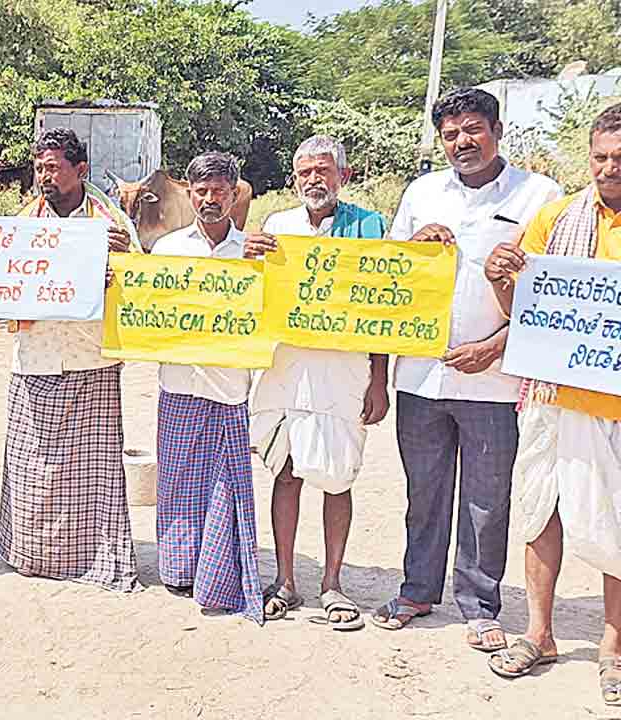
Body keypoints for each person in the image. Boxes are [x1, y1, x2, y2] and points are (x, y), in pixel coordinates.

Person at [371, 88, 563, 651]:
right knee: (423, 492)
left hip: (496, 380)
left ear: (498, 131)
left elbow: (552, 295)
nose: (463, 142)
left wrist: (496, 349)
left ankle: (480, 606)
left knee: (487, 500)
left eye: (474, 129)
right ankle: (416, 591)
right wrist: (414, 246)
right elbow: (388, 278)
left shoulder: (539, 195)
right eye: (451, 134)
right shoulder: (422, 192)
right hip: (420, 375)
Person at [484, 103, 621, 705]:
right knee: (541, 512)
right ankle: (539, 634)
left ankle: (614, 648)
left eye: (620, 158)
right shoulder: (556, 217)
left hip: (614, 406)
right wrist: (498, 275)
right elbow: (522, 313)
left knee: (616, 523)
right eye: (600, 157)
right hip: (550, 396)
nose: (609, 168)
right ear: (588, 157)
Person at [243, 136, 390, 629]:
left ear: (342, 176)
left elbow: (384, 308)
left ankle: (332, 583)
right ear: (294, 178)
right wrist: (249, 258)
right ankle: (285, 580)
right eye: (304, 171)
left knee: (337, 477)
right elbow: (255, 295)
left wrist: (379, 378)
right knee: (286, 473)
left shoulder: (369, 227)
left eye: (322, 170)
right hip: (285, 369)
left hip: (342, 373)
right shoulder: (277, 227)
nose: (313, 180)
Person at [0, 127, 140, 592]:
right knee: (32, 463)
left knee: (93, 469)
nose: (45, 177)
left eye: (54, 168)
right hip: (35, 358)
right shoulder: (21, 223)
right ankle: (31, 554)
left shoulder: (111, 224)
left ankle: (98, 557)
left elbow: (140, 286)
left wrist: (123, 264)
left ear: (80, 170)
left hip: (91, 357)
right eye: (39, 168)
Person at [149, 152, 261, 622]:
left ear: (234, 195)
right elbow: (145, 306)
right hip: (178, 382)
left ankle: (218, 575)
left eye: (219, 191)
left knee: (224, 483)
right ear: (189, 194)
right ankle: (178, 568)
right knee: (176, 479)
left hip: (230, 385)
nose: (210, 199)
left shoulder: (255, 252)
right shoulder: (166, 250)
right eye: (202, 191)